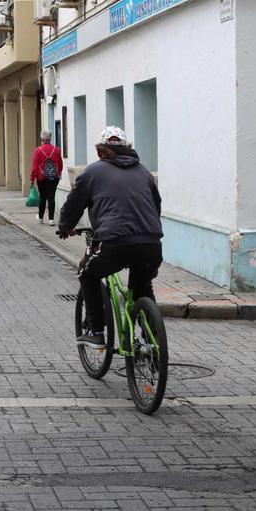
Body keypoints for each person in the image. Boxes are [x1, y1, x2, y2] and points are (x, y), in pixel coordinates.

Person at [56, 126, 163, 346]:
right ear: (128, 149)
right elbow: (156, 205)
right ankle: (153, 345)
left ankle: (96, 330)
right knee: (142, 287)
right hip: (151, 244)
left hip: (116, 243)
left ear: (100, 152)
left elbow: (74, 204)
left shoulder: (93, 172)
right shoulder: (143, 171)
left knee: (87, 274)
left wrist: (65, 227)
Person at [30, 130, 64, 225]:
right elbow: (60, 164)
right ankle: (51, 219)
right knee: (51, 197)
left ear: (42, 139)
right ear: (50, 139)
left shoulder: (38, 151)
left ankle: (40, 217)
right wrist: (59, 172)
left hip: (41, 178)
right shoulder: (57, 150)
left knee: (43, 198)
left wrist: (32, 179)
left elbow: (35, 167)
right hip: (54, 177)